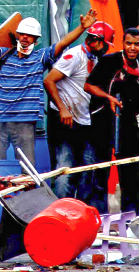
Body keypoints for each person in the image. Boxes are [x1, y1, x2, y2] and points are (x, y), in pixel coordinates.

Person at [0, 8, 98, 164]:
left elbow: (63, 43)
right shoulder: (4, 54)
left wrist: (82, 27)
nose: (25, 37)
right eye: (23, 34)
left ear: (36, 40)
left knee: (26, 169)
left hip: (25, 121)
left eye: (30, 35)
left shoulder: (41, 57)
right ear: (18, 35)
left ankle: (28, 190)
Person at [85, 28, 139, 215]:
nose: (132, 48)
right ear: (123, 43)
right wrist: (108, 97)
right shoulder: (108, 61)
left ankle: (130, 218)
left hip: (129, 123)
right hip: (103, 121)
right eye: (129, 43)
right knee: (100, 171)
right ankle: (98, 217)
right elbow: (88, 85)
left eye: (137, 44)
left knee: (131, 173)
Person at [43, 22, 115, 211]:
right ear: (96, 41)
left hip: (85, 121)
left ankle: (80, 214)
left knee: (87, 169)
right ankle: (59, 213)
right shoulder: (74, 56)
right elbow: (49, 80)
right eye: (103, 43)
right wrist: (63, 108)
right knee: (64, 170)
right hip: (64, 121)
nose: (104, 47)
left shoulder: (99, 59)